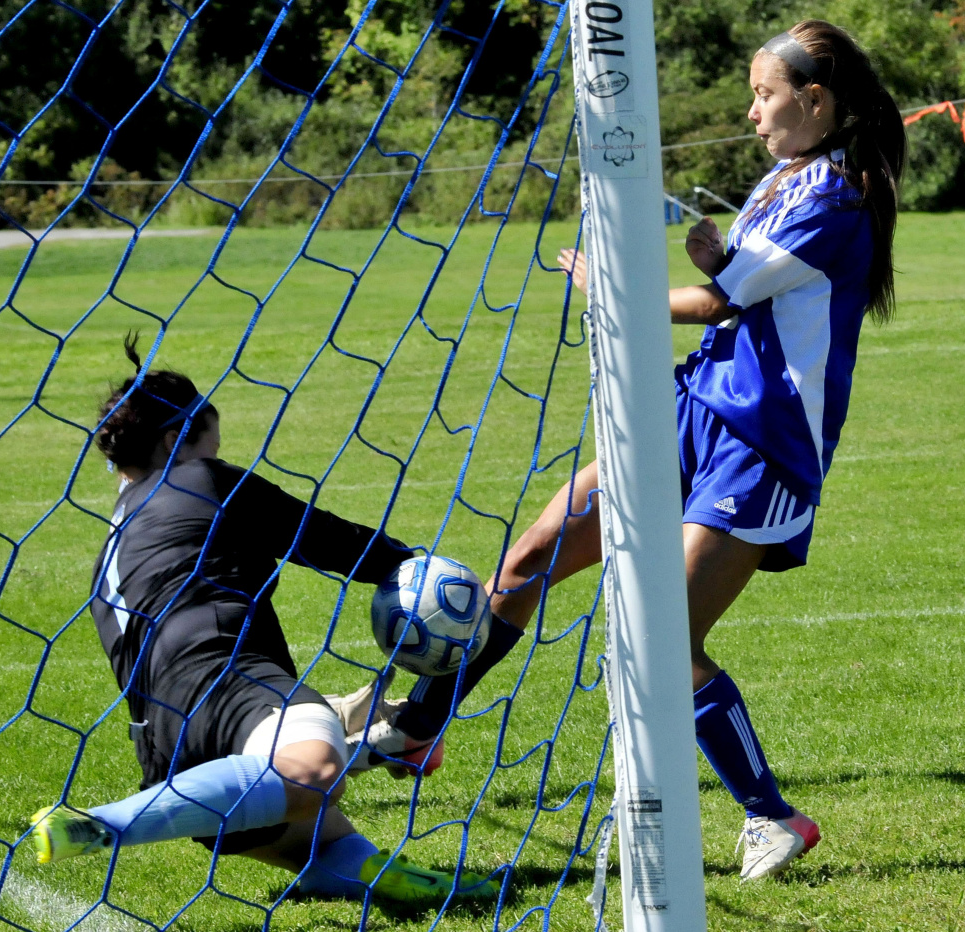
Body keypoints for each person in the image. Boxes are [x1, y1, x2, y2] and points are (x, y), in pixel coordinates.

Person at [357, 20, 906, 881]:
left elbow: (715, 303)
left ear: (815, 98)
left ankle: (773, 818)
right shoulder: (784, 177)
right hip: (690, 408)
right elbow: (746, 289)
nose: (754, 113)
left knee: (661, 640)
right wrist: (720, 256)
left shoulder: (839, 198)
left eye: (765, 96)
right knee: (530, 556)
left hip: (761, 446)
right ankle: (420, 728)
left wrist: (613, 282)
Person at [29, 335, 497, 906]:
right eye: (212, 446)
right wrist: (428, 576)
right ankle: (101, 824)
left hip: (167, 752)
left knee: (322, 839)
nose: (218, 458)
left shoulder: (113, 547)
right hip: (228, 680)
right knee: (315, 771)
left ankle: (383, 770)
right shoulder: (203, 481)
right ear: (178, 440)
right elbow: (331, 541)